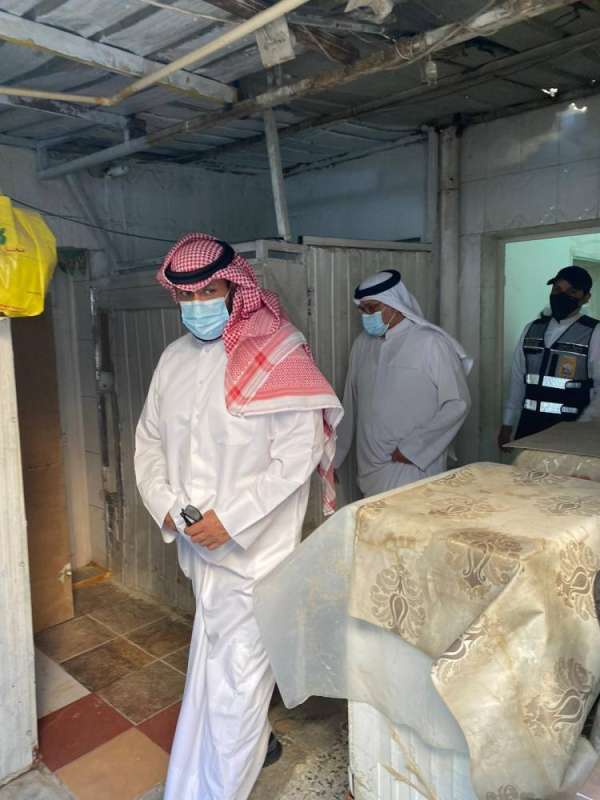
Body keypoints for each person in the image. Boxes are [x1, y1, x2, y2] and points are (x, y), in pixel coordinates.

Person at [134, 233, 342, 800]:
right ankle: (200, 777)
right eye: (185, 295)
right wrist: (167, 507)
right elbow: (149, 441)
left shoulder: (280, 355)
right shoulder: (173, 359)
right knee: (213, 672)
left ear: (235, 287)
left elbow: (297, 455)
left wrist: (233, 519)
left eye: (208, 291)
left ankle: (218, 788)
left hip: (255, 557)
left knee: (237, 683)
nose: (196, 304)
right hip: (198, 552)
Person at [334, 269, 472, 497]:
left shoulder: (430, 343)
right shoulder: (362, 345)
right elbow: (350, 403)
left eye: (372, 308)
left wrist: (412, 449)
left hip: (412, 464)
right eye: (363, 310)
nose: (367, 316)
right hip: (370, 464)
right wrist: (334, 458)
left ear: (394, 304)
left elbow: (458, 404)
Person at [498, 265, 600, 448]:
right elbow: (517, 379)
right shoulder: (532, 329)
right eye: (557, 289)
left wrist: (584, 429)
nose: (562, 295)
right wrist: (508, 422)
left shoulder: (594, 332)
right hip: (529, 427)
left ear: (586, 298)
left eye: (572, 292)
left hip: (571, 431)